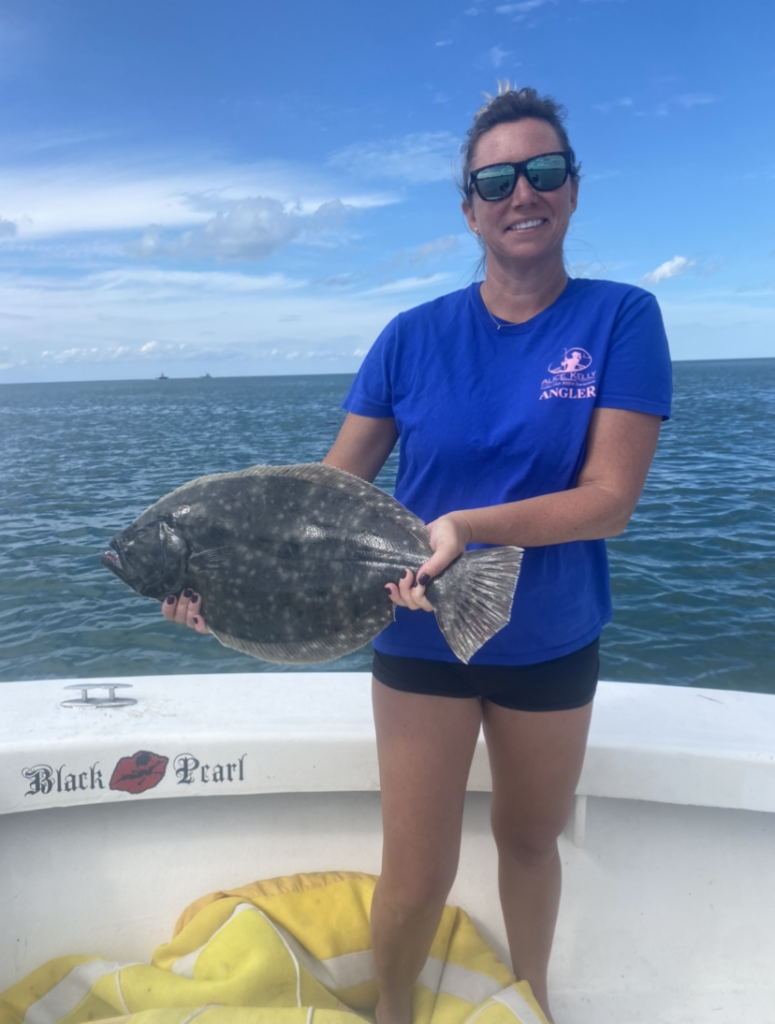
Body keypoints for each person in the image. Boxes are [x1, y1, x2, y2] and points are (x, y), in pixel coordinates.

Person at [164, 85, 672, 1024]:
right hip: (416, 632)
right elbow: (317, 501)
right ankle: (392, 1009)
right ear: (468, 204)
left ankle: (533, 1001)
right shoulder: (410, 336)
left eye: (544, 171)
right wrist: (219, 585)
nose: (522, 192)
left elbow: (610, 501)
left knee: (528, 843)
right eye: (496, 178)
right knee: (414, 874)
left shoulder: (620, 319)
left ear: (571, 190)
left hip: (552, 638)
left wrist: (468, 527)